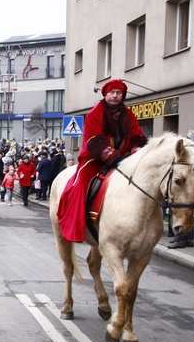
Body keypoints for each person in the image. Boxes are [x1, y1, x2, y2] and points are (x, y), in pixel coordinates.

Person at [56, 78, 148, 242]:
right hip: (95, 158)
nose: (115, 96)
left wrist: (137, 149)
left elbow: (137, 134)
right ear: (106, 94)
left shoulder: (129, 115)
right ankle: (78, 225)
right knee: (81, 184)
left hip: (125, 158)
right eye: (112, 93)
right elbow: (93, 140)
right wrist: (112, 155)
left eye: (118, 93)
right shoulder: (94, 113)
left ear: (122, 95)